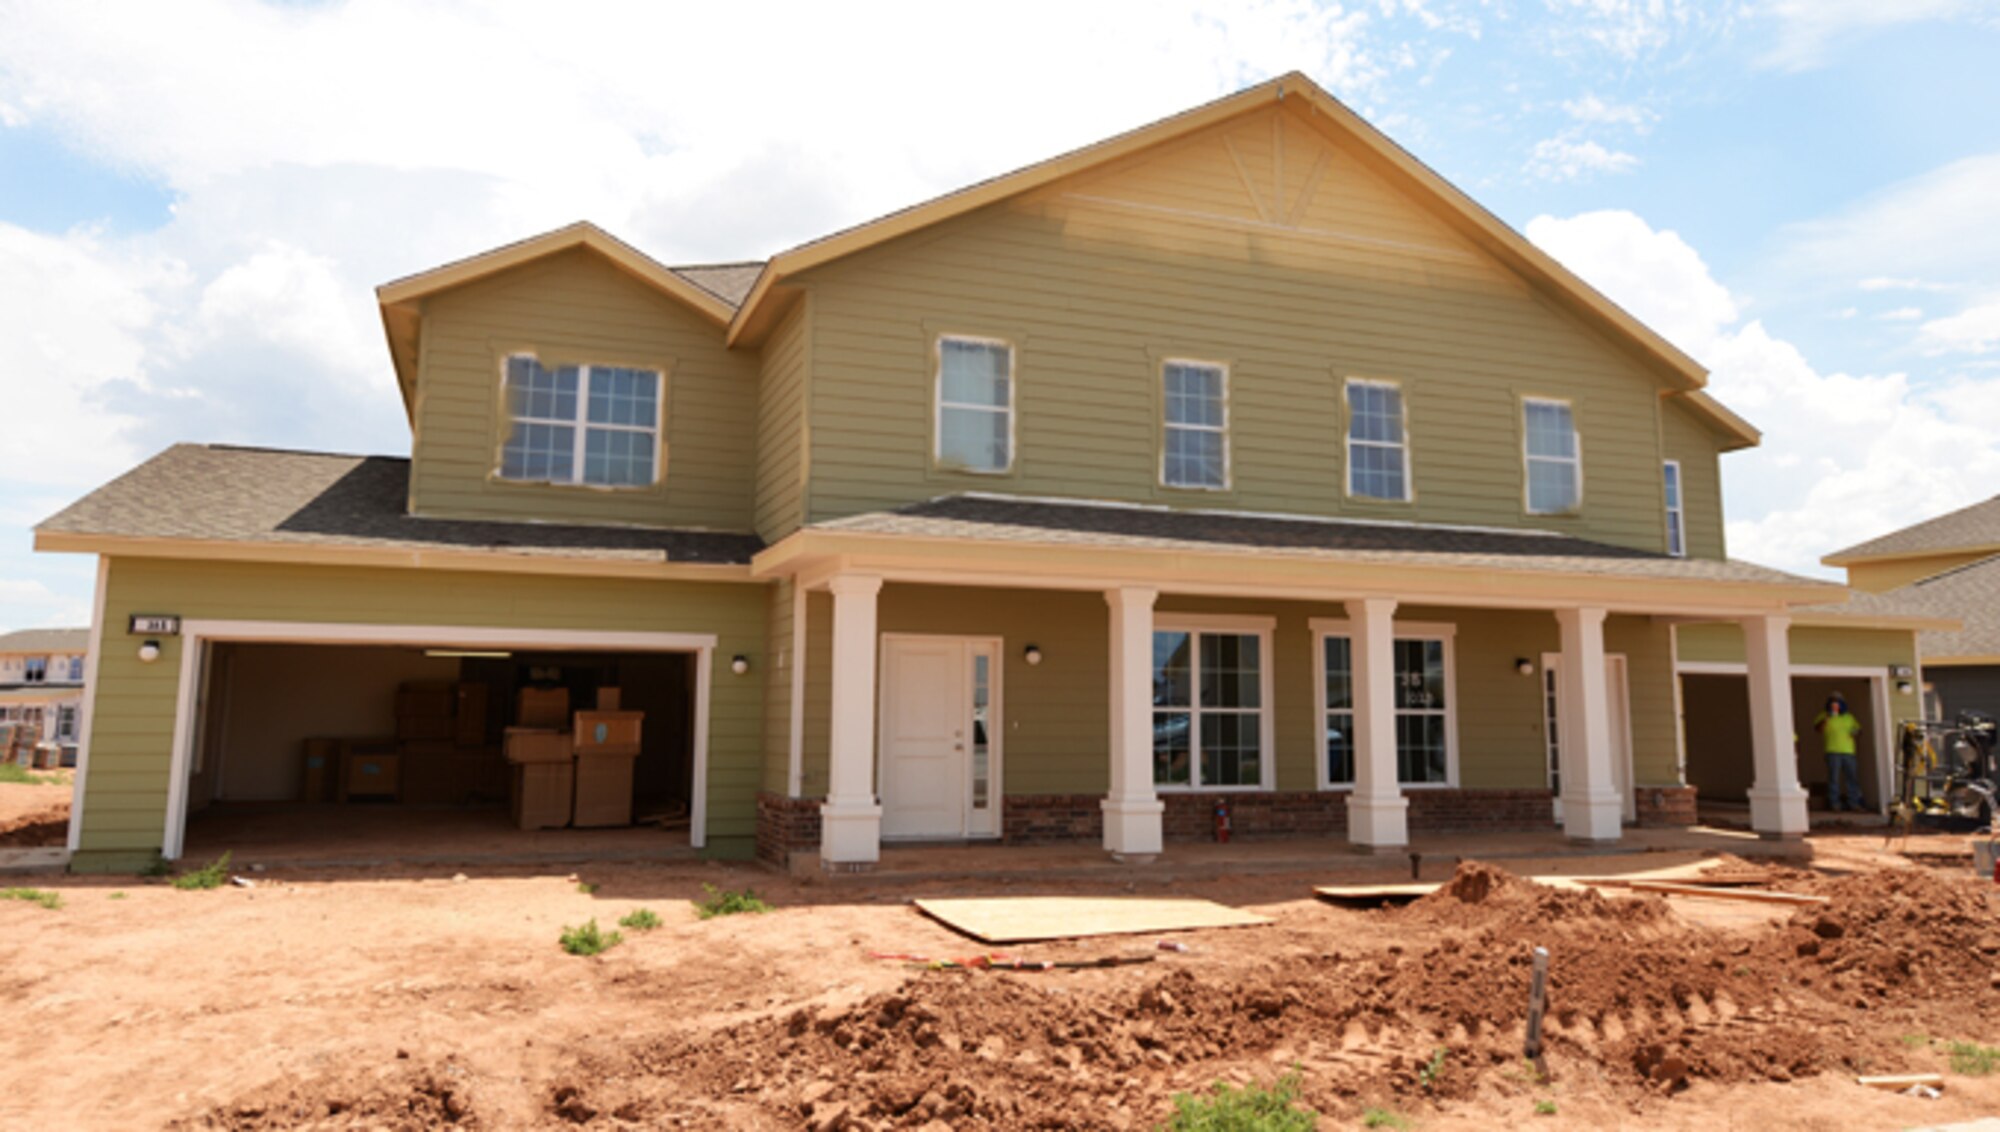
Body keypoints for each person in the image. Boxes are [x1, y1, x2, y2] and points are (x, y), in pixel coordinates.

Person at [1814, 693, 1864, 811]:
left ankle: (1854, 803)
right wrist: (1827, 718)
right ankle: (1834, 803)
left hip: (1848, 752)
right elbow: (1818, 729)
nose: (1835, 705)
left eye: (1838, 703)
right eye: (1833, 703)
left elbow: (1859, 730)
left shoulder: (1849, 717)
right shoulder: (1824, 715)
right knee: (1834, 779)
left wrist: (1855, 732)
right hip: (1832, 751)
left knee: (1852, 778)